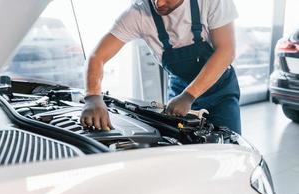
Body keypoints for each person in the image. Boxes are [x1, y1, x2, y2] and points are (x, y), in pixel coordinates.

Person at [80, 0, 242, 134]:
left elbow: (226, 51)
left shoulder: (212, 2)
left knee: (228, 146)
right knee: (183, 150)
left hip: (220, 92)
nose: (159, 3)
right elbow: (97, 56)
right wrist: (93, 97)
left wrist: (189, 95)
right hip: (178, 91)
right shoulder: (139, 13)